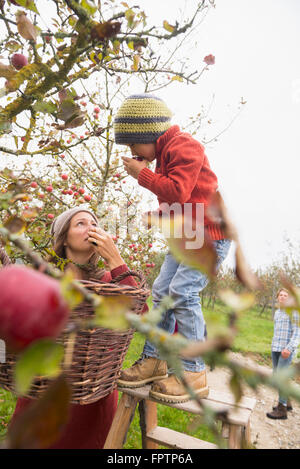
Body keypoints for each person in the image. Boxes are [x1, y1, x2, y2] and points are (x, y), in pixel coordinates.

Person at [113, 93, 231, 403]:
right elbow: (183, 203)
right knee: (162, 292)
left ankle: (194, 373)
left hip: (207, 238)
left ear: (146, 134)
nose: (131, 151)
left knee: (182, 293)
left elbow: (178, 192)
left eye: (132, 143)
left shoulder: (184, 147)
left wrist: (143, 175)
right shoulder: (164, 157)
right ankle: (155, 360)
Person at [9, 206, 147, 449]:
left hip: (91, 402)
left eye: (95, 224)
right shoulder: (43, 278)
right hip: (42, 396)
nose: (91, 228)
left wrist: (115, 258)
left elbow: (142, 316)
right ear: (63, 238)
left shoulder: (108, 282)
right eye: (81, 223)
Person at [266, 288, 300, 420]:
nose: (283, 297)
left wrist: (289, 348)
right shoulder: (277, 313)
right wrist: (273, 347)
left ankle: (282, 410)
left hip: (286, 351)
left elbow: (297, 333)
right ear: (277, 297)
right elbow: (276, 332)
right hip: (276, 348)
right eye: (281, 295)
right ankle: (288, 402)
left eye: (286, 295)